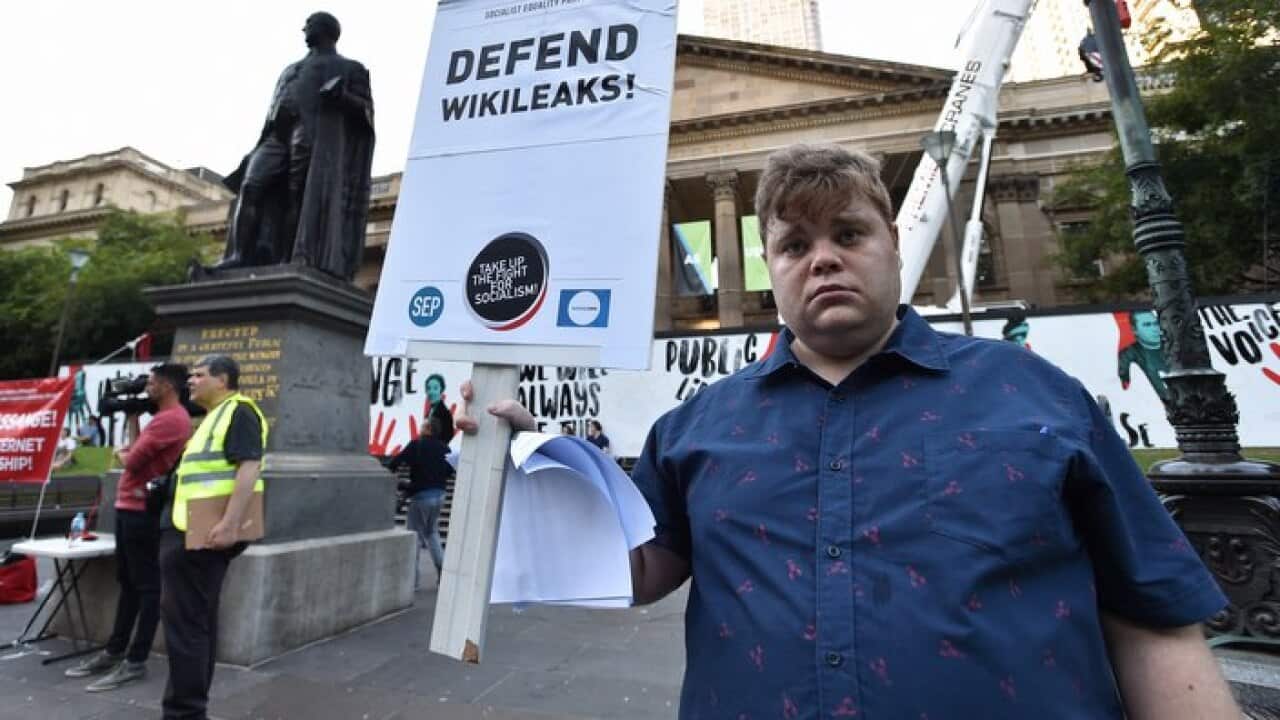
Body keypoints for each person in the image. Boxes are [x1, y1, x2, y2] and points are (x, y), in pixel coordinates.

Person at [465, 144, 1238, 718]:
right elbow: (630, 575)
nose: (823, 259)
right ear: (768, 267)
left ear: (894, 246)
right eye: (795, 246)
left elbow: (1154, 616)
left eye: (849, 234)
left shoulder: (1034, 392)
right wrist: (526, 462)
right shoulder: (695, 425)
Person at [214, 11, 374, 280]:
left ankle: (291, 256)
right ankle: (238, 255)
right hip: (276, 137)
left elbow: (365, 110)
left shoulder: (350, 68)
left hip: (312, 134)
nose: (304, 29)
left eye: (309, 25)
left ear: (325, 30)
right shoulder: (290, 69)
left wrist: (342, 96)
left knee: (298, 198)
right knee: (251, 186)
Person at [65, 364, 192, 692]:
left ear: (167, 385)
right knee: (130, 583)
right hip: (128, 507)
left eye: (151, 381)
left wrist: (126, 454)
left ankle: (135, 661)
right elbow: (132, 452)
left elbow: (133, 461)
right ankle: (114, 651)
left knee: (147, 587)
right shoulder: (158, 418)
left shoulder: (171, 420)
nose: (145, 385)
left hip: (142, 512)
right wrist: (134, 419)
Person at [159, 355, 267, 720]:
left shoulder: (239, 411)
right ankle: (188, 709)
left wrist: (231, 524)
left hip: (204, 535)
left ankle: (184, 713)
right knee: (194, 624)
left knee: (186, 627)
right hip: (192, 531)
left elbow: (249, 466)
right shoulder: (214, 417)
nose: (190, 380)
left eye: (199, 375)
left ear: (222, 380)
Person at [387, 415, 453, 589]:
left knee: (414, 535)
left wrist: (397, 478)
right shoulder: (444, 448)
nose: (420, 428)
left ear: (429, 429)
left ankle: (412, 580)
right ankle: (443, 571)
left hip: (421, 497)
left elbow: (395, 463)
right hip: (439, 495)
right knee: (432, 532)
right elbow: (449, 470)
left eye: (423, 426)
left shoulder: (417, 445)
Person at [424, 373, 455, 443]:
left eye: (435, 388)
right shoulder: (430, 411)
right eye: (428, 388)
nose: (431, 392)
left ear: (441, 390)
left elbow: (449, 435)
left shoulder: (445, 413)